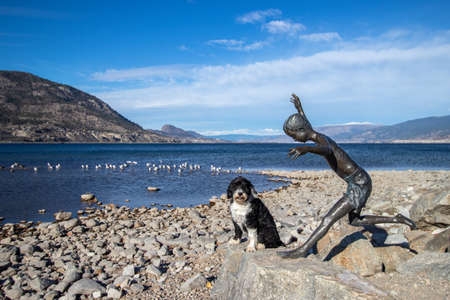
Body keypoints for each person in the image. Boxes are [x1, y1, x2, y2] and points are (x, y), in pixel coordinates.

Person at [278, 94, 416, 259]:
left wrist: (306, 149)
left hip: (359, 184)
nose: (295, 140)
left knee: (328, 218)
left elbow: (327, 150)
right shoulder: (314, 134)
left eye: (294, 136)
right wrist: (299, 109)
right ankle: (396, 219)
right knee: (355, 221)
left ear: (302, 130)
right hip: (359, 181)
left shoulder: (322, 140)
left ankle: (303, 250)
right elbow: (307, 127)